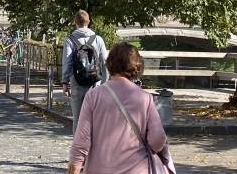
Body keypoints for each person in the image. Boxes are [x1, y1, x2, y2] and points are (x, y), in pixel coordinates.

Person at [68, 43, 172, 174]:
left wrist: (74, 170)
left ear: (110, 64)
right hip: (137, 169)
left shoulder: (93, 96)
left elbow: (81, 143)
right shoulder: (145, 98)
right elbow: (157, 139)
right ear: (137, 66)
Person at [62, 10, 109, 127]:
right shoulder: (98, 39)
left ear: (75, 22)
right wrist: (105, 83)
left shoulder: (70, 40)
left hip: (77, 83)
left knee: (78, 120)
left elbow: (67, 62)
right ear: (88, 22)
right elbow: (105, 62)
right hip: (95, 84)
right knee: (95, 120)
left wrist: (65, 82)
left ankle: (78, 139)